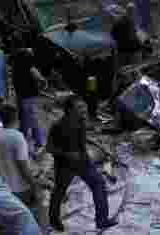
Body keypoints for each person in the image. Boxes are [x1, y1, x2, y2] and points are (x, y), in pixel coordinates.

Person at [47, 95, 118, 231]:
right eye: (79, 107)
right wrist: (67, 154)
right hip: (64, 166)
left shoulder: (81, 121)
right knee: (59, 192)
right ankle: (54, 220)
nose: (83, 109)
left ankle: (102, 220)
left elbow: (82, 141)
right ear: (69, 110)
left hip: (82, 161)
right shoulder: (57, 126)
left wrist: (94, 151)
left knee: (98, 183)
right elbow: (49, 148)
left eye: (83, 106)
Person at [0, 104, 41, 221]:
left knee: (11, 219)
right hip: (20, 188)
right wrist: (35, 186)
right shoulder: (17, 137)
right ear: (16, 118)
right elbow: (23, 168)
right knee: (30, 216)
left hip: (4, 186)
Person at [11, 46, 47, 157]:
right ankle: (38, 141)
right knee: (32, 119)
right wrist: (42, 87)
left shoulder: (15, 67)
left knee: (24, 119)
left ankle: (23, 142)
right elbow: (42, 81)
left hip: (20, 96)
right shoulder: (30, 68)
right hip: (30, 96)